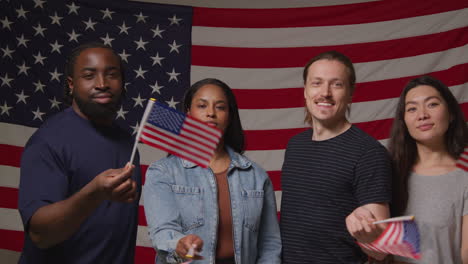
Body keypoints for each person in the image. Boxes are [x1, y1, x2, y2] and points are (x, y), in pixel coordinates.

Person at [18, 42, 141, 263]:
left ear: (122, 83)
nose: (102, 84)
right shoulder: (48, 141)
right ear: (72, 85)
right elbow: (40, 235)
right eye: (89, 75)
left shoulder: (127, 142)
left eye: (111, 74)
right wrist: (95, 192)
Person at [143, 78, 281, 264]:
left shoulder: (256, 175)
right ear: (188, 114)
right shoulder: (163, 172)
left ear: (230, 116)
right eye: (202, 106)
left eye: (220, 107)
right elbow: (162, 231)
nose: (210, 113)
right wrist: (179, 244)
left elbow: (270, 243)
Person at [280, 50, 392, 263]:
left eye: (336, 84)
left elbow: (381, 249)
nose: (325, 93)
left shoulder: (369, 152)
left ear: (350, 93)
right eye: (317, 83)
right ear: (305, 90)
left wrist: (366, 233)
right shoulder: (295, 146)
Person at [388, 75, 468, 264]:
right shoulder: (388, 171)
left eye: (432, 104)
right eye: (412, 109)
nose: (422, 115)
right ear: (404, 121)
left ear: (451, 114)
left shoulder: (464, 175)